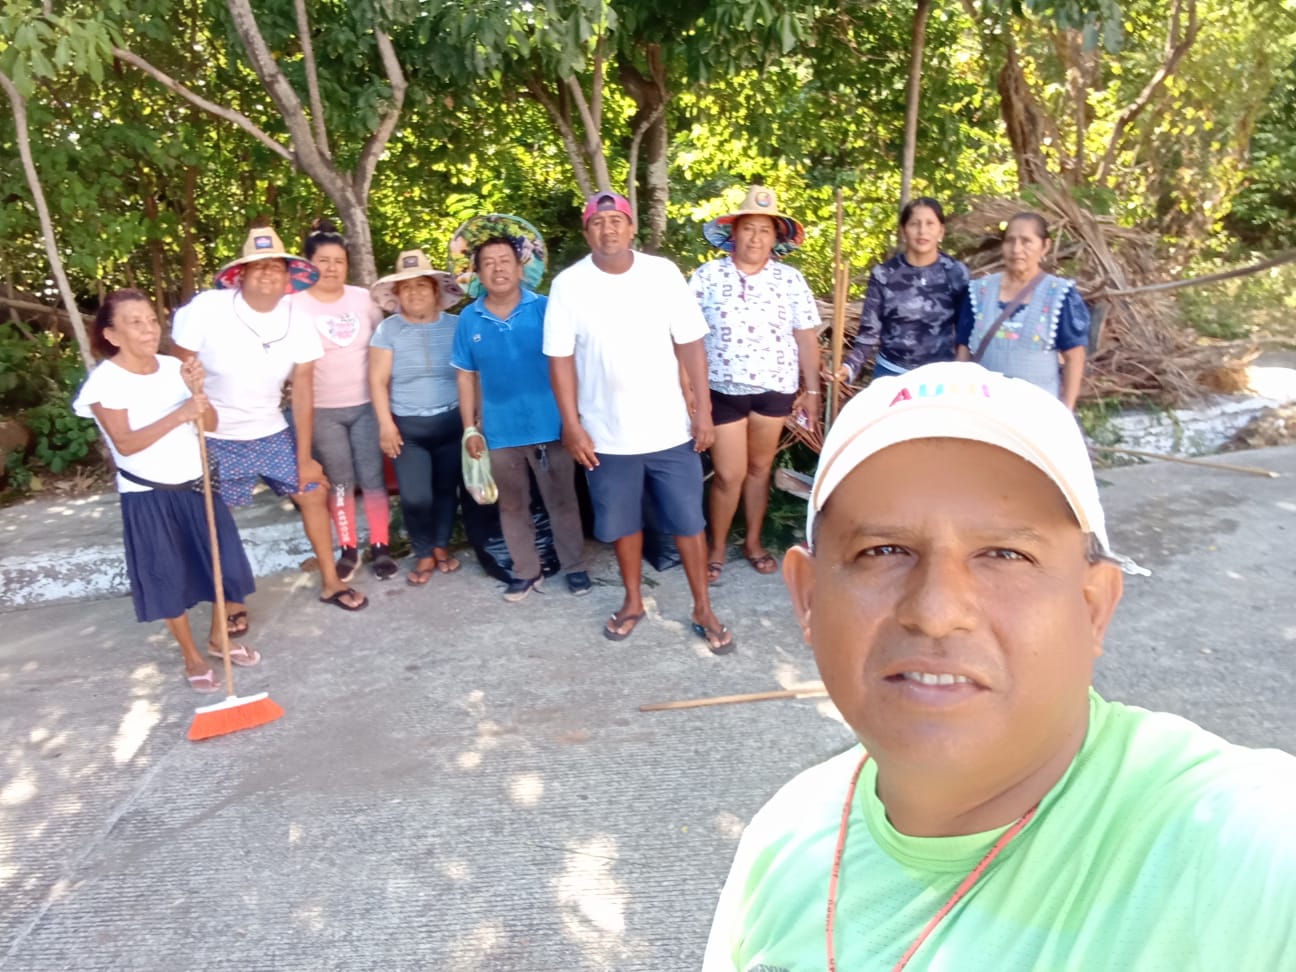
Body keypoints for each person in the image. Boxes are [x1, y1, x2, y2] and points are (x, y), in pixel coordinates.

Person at [705, 361, 1296, 970]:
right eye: (883, 551)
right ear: (807, 597)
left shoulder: (1244, 847)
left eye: (1005, 554)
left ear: (1093, 607)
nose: (935, 612)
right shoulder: (783, 840)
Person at [544, 190, 734, 654]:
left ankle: (702, 608)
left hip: (670, 428)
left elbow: (691, 343)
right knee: (622, 522)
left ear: (631, 228)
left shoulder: (663, 274)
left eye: (616, 221)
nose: (607, 230)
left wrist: (703, 412)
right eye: (597, 223)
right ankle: (633, 602)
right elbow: (560, 358)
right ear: (586, 232)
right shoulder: (569, 285)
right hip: (606, 434)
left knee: (689, 521)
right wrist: (571, 424)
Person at [172, 225, 369, 623]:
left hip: (270, 429)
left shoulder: (296, 317)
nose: (266, 274)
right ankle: (230, 599)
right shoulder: (207, 308)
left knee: (313, 491)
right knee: (215, 516)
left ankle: (332, 581)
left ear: (288, 276)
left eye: (275, 267)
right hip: (213, 433)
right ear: (239, 274)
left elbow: (302, 390)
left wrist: (304, 457)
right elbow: (176, 368)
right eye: (256, 266)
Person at [73, 290, 260, 691]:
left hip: (196, 486)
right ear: (112, 334)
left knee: (221, 567)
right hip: (148, 494)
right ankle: (192, 657)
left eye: (152, 320)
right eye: (135, 322)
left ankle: (218, 640)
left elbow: (208, 423)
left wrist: (197, 394)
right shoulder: (106, 382)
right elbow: (124, 443)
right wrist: (180, 413)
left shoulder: (175, 366)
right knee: (167, 577)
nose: (148, 329)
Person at [449, 214, 590, 602]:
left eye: (504, 261)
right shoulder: (468, 318)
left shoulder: (547, 308)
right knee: (512, 506)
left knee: (563, 500)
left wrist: (573, 419)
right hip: (499, 430)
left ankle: (575, 568)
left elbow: (572, 362)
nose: (497, 269)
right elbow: (465, 375)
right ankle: (526, 572)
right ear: (476, 271)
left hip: (552, 424)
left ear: (520, 266)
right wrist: (469, 429)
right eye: (488, 263)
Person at [691, 185, 821, 583]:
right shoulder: (708, 276)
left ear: (776, 237)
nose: (756, 237)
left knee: (760, 469)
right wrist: (690, 392)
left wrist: (812, 391)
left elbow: (806, 335)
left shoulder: (790, 280)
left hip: (775, 389)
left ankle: (752, 542)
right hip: (723, 389)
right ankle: (715, 549)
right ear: (734, 232)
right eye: (749, 228)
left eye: (765, 230)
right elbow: (686, 336)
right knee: (729, 473)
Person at [292, 219, 396, 582]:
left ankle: (381, 546)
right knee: (340, 480)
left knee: (372, 478)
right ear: (309, 264)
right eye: (323, 260)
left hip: (367, 404)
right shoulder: (294, 305)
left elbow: (383, 348)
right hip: (323, 411)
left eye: (338, 260)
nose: (332, 267)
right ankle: (349, 549)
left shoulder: (363, 298)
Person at [368, 249, 465, 586]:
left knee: (445, 489)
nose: (415, 293)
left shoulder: (457, 326)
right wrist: (385, 424)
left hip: (452, 422)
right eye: (406, 287)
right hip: (408, 427)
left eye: (422, 285)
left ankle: (439, 546)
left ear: (436, 290)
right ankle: (422, 549)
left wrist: (474, 419)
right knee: (416, 495)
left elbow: (471, 374)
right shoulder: (387, 331)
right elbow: (378, 381)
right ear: (396, 295)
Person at [955, 211, 1090, 410]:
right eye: (1010, 241)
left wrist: (1066, 411)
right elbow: (964, 352)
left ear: (1045, 246)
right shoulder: (979, 292)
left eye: (1026, 241)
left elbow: (1074, 357)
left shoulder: (1060, 294)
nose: (1017, 249)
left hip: (1036, 415)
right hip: (984, 412)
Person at [836, 196, 969, 382]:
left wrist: (962, 373)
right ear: (903, 230)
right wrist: (850, 366)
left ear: (941, 231)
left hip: (941, 380)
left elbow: (966, 329)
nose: (922, 231)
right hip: (891, 375)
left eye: (930, 223)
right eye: (915, 224)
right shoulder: (884, 274)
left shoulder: (956, 273)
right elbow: (869, 331)